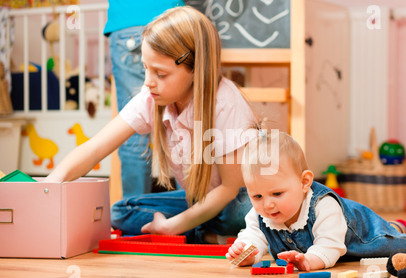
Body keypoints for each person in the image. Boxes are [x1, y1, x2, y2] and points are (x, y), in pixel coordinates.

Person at [46, 6, 258, 243]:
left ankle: (196, 231)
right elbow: (96, 147)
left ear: (196, 68)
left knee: (237, 213)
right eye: (145, 68)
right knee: (120, 211)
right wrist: (50, 185)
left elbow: (229, 190)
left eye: (160, 73)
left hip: (234, 200)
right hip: (198, 201)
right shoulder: (152, 98)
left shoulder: (225, 104)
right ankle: (205, 234)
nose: (148, 82)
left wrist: (173, 225)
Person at [226, 129, 406, 271]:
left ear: (304, 182)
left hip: (361, 234)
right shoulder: (260, 213)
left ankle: (399, 228)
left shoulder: (323, 207)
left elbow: (330, 245)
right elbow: (253, 236)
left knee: (392, 244)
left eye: (277, 194)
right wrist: (246, 252)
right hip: (327, 244)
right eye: (257, 196)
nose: (267, 204)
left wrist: (310, 261)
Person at [104, 0, 185, 197]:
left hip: (128, 20)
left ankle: (133, 208)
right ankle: (194, 209)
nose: (150, 82)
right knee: (186, 123)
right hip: (171, 18)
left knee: (132, 135)